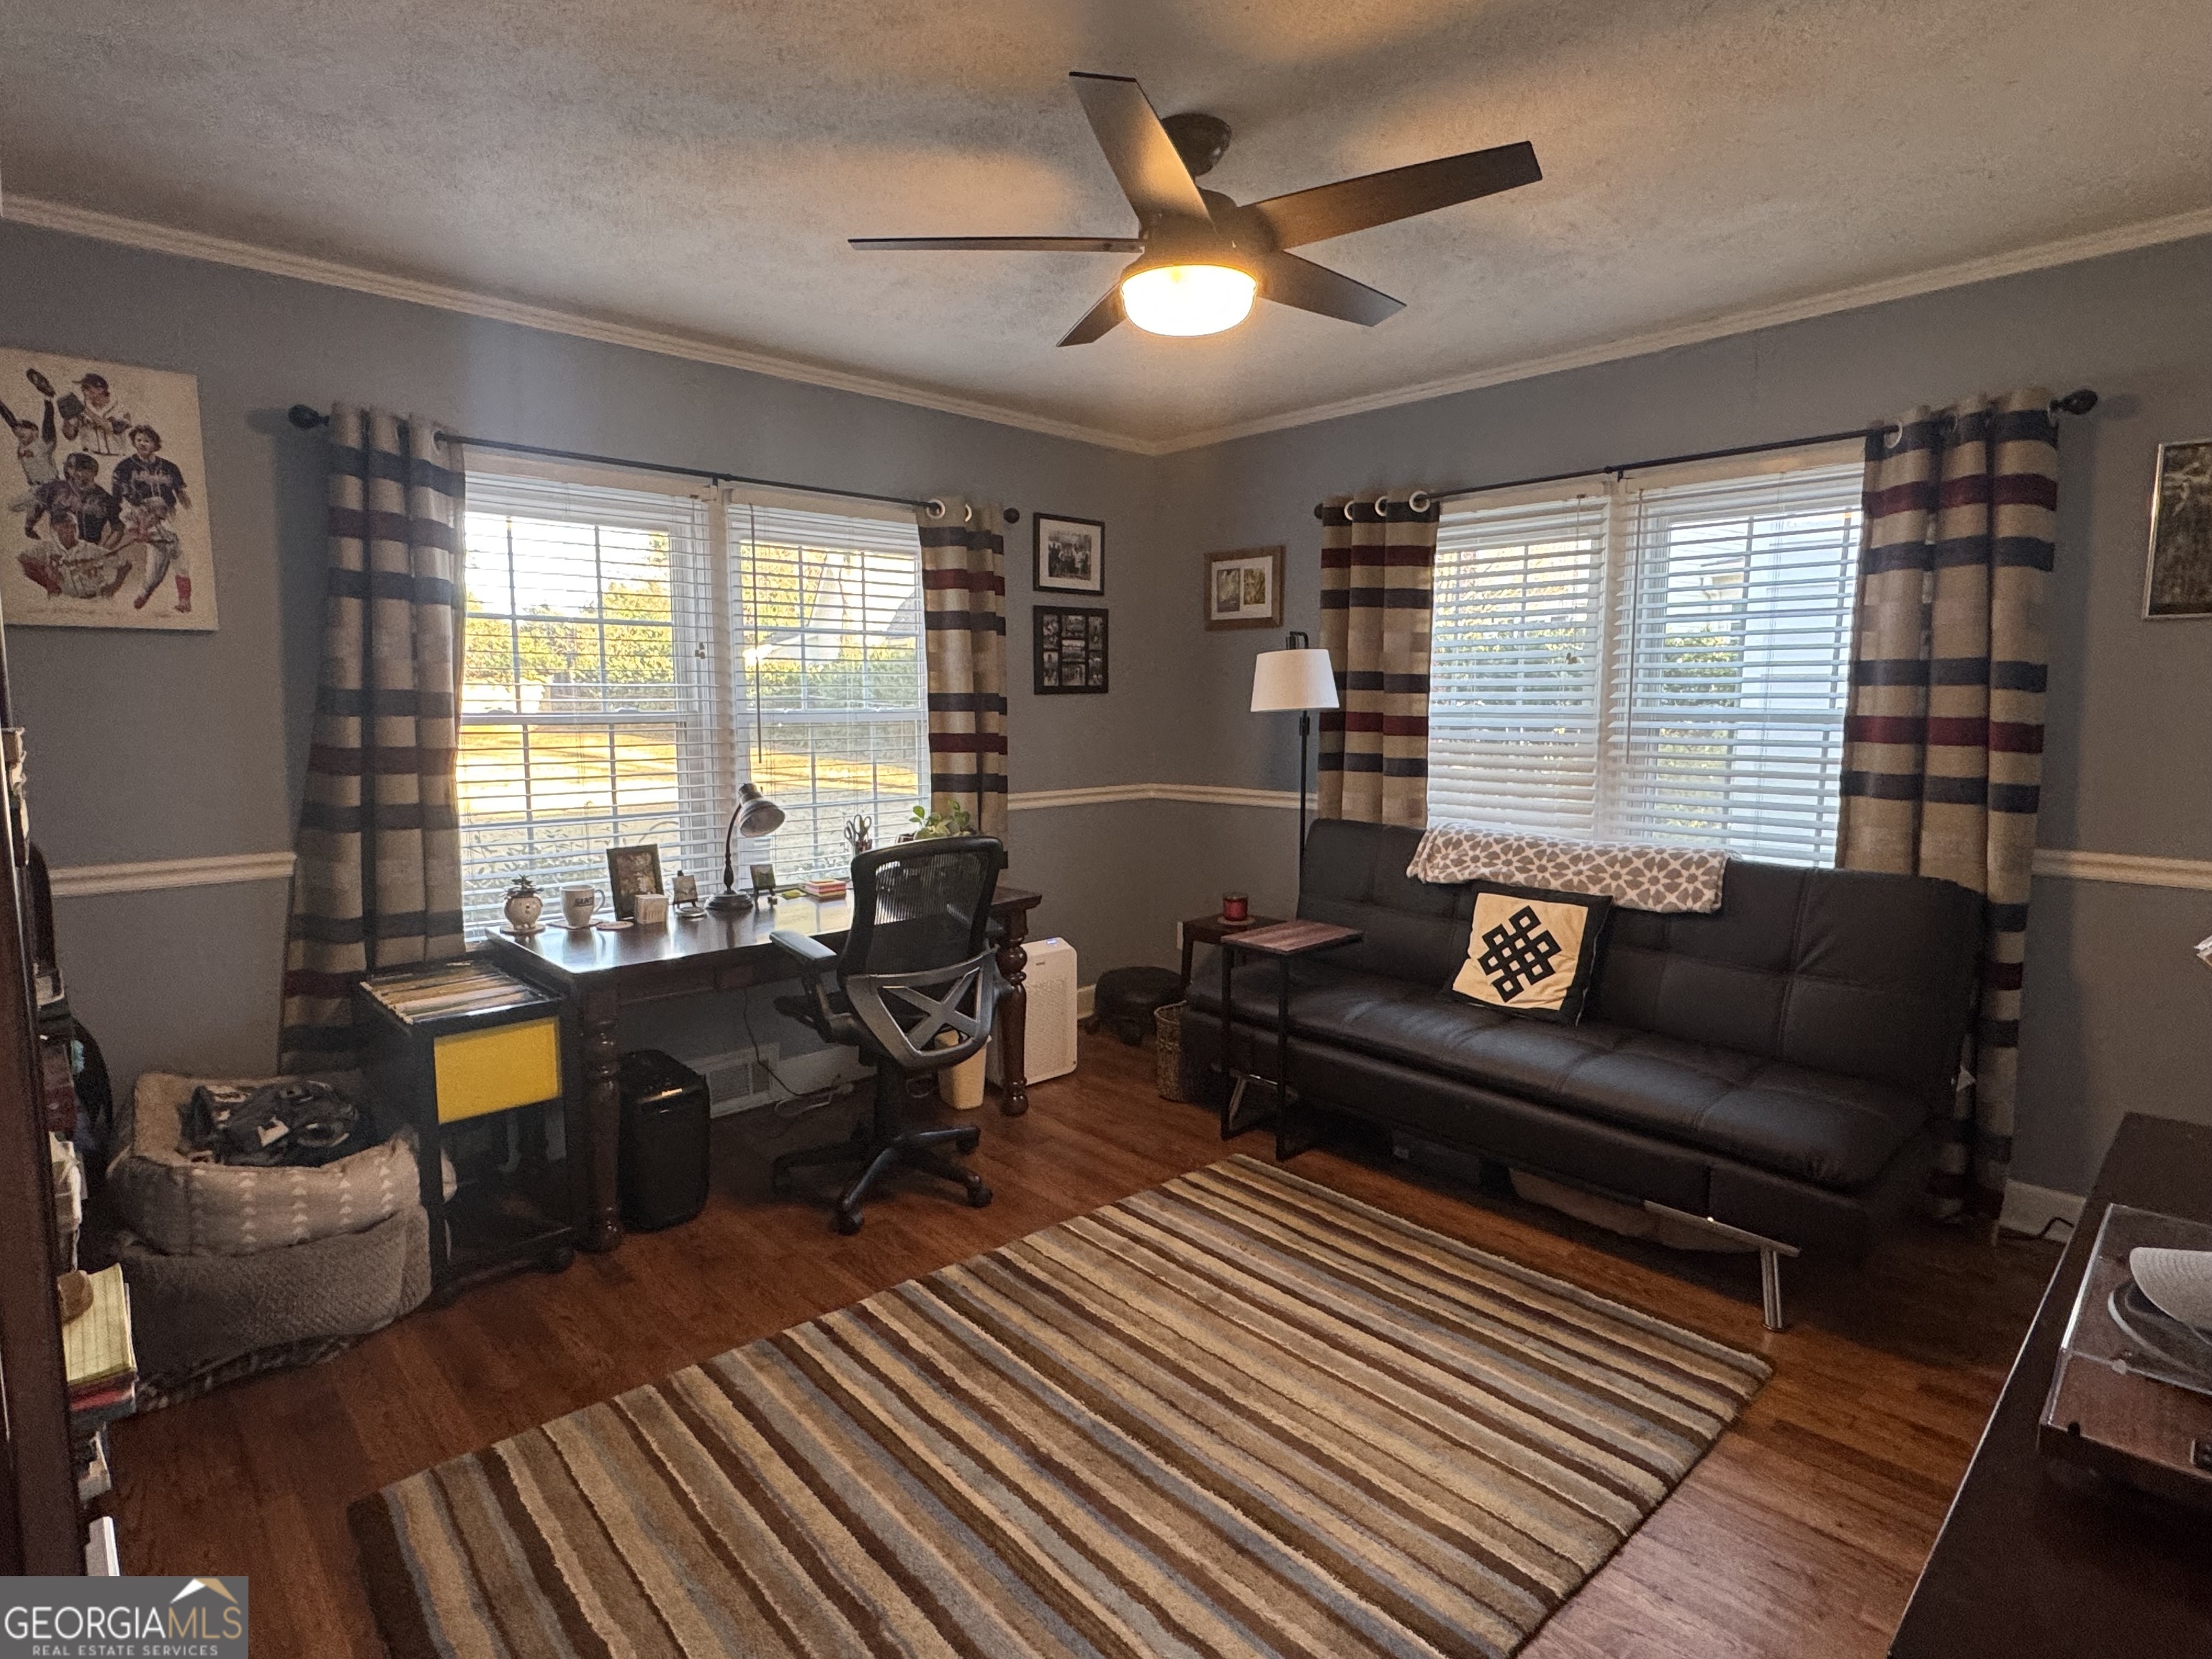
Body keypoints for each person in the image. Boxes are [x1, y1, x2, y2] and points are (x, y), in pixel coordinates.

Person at [18, 508, 130, 601]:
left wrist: (114, 587)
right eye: (66, 526)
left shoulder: (91, 550)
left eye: (74, 526)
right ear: (55, 529)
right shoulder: (47, 548)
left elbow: (126, 564)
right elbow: (22, 559)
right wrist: (45, 574)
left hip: (95, 600)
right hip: (64, 602)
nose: (72, 530)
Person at [125, 497, 187, 612]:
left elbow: (168, 535)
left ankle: (185, 602)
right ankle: (145, 594)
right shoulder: (131, 511)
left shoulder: (158, 505)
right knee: (154, 578)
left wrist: (148, 535)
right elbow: (130, 523)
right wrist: (136, 533)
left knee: (182, 570)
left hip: (167, 542)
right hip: (157, 546)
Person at [109, 424, 189, 513]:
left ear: (155, 444)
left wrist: (190, 513)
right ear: (134, 443)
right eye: (139, 440)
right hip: (139, 515)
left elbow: (181, 494)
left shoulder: (170, 467)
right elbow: (117, 498)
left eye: (147, 441)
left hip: (169, 514)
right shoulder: (124, 467)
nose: (142, 444)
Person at [57, 372, 130, 457]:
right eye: (83, 388)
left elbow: (116, 429)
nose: (83, 391)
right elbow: (70, 436)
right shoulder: (80, 406)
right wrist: (67, 417)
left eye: (87, 388)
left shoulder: (120, 408)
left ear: (100, 389)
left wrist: (85, 410)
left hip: (115, 457)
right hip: (89, 456)